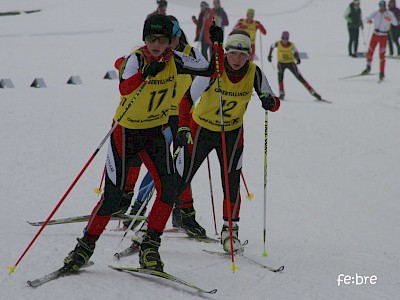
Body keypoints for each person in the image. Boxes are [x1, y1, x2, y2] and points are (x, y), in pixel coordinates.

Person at [62, 14, 218, 273]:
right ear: (144, 38)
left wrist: (216, 45)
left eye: (162, 40)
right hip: (126, 133)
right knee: (112, 197)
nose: (156, 44)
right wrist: (146, 73)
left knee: (169, 189)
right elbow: (124, 88)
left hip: (153, 133)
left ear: (171, 42)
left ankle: (150, 247)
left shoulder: (176, 59)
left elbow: (209, 69)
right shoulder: (136, 58)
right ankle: (83, 249)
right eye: (151, 38)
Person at [172, 29, 280, 256]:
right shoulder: (214, 70)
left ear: (249, 56)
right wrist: (183, 126)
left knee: (231, 183)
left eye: (243, 55)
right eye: (233, 53)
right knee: (181, 177)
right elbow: (186, 100)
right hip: (201, 129)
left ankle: (230, 232)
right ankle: (159, 228)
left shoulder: (254, 72)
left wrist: (269, 101)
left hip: (231, 134)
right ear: (227, 52)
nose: (238, 59)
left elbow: (272, 100)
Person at [123, 16, 208, 249]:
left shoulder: (187, 53)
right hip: (160, 115)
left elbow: (207, 69)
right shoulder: (151, 53)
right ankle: (137, 206)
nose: (166, 42)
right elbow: (123, 65)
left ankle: (182, 214)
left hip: (182, 117)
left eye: (171, 37)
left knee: (180, 165)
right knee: (157, 165)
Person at [268, 31, 322, 101]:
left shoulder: (291, 45)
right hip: (281, 63)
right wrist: (269, 55)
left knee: (299, 77)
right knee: (280, 77)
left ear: (288, 39)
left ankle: (313, 92)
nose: (284, 41)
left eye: (286, 39)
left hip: (291, 63)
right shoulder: (277, 43)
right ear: (281, 38)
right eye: (283, 39)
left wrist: (298, 58)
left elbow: (296, 51)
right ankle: (282, 93)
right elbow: (271, 47)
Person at [361, 0, 398, 80]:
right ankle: (368, 67)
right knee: (370, 51)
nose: (381, 8)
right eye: (380, 6)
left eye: (383, 6)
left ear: (385, 6)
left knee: (381, 54)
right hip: (375, 34)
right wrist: (368, 21)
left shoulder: (389, 14)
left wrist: (390, 20)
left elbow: (396, 23)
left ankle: (382, 72)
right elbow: (366, 19)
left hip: (383, 36)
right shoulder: (376, 12)